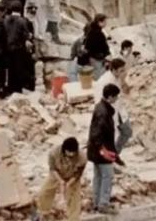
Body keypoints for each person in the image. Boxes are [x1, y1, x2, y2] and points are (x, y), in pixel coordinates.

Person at [32, 137, 87, 221]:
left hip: (72, 176)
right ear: (64, 149)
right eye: (69, 152)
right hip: (57, 174)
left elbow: (78, 174)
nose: (71, 155)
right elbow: (52, 169)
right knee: (44, 193)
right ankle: (44, 213)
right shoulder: (53, 153)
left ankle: (73, 219)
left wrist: (68, 184)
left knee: (74, 200)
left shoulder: (82, 157)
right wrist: (61, 181)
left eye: (73, 153)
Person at [87, 84, 120, 215]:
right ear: (110, 97)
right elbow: (97, 133)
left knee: (99, 177)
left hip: (97, 150)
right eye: (116, 96)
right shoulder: (103, 112)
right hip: (102, 151)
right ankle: (103, 203)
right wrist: (103, 150)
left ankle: (97, 202)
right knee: (107, 176)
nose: (117, 99)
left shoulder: (101, 108)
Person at [93, 59, 131, 160]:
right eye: (121, 70)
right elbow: (99, 100)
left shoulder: (118, 77)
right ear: (114, 70)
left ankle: (115, 154)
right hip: (109, 113)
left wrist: (123, 80)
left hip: (119, 109)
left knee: (127, 131)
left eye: (124, 70)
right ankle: (111, 159)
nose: (124, 72)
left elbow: (126, 91)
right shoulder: (104, 82)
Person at [3, 1, 34, 95]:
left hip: (7, 48)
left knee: (10, 69)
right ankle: (18, 89)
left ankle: (10, 88)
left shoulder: (6, 20)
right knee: (18, 68)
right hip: (18, 48)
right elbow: (26, 35)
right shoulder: (22, 21)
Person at [83, 14, 110, 79]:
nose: (106, 23)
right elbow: (88, 46)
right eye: (105, 22)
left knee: (99, 76)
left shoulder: (97, 31)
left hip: (98, 57)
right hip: (96, 58)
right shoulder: (94, 32)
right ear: (99, 22)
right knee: (98, 77)